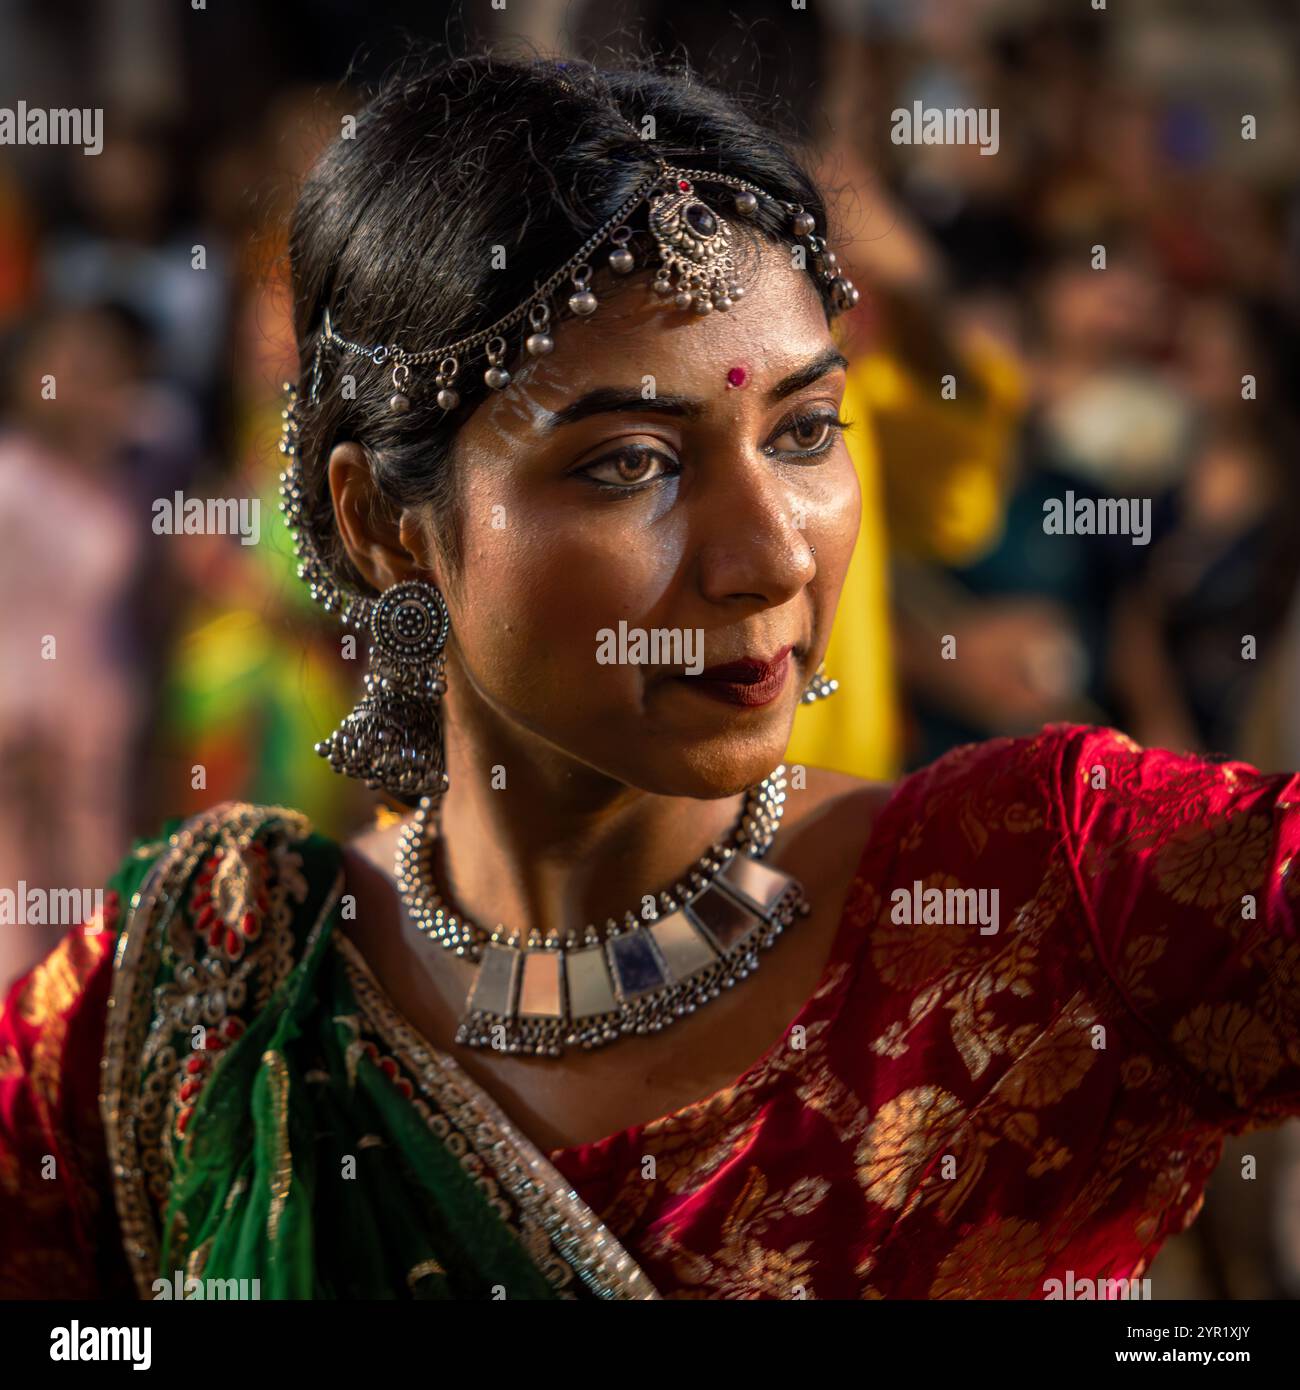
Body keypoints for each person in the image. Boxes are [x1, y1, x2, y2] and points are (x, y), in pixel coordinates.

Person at [2, 51, 1297, 1301]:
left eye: (803, 432)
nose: (771, 555)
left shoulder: (1040, 891)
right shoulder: (203, 1000)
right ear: (384, 525)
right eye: (630, 462)